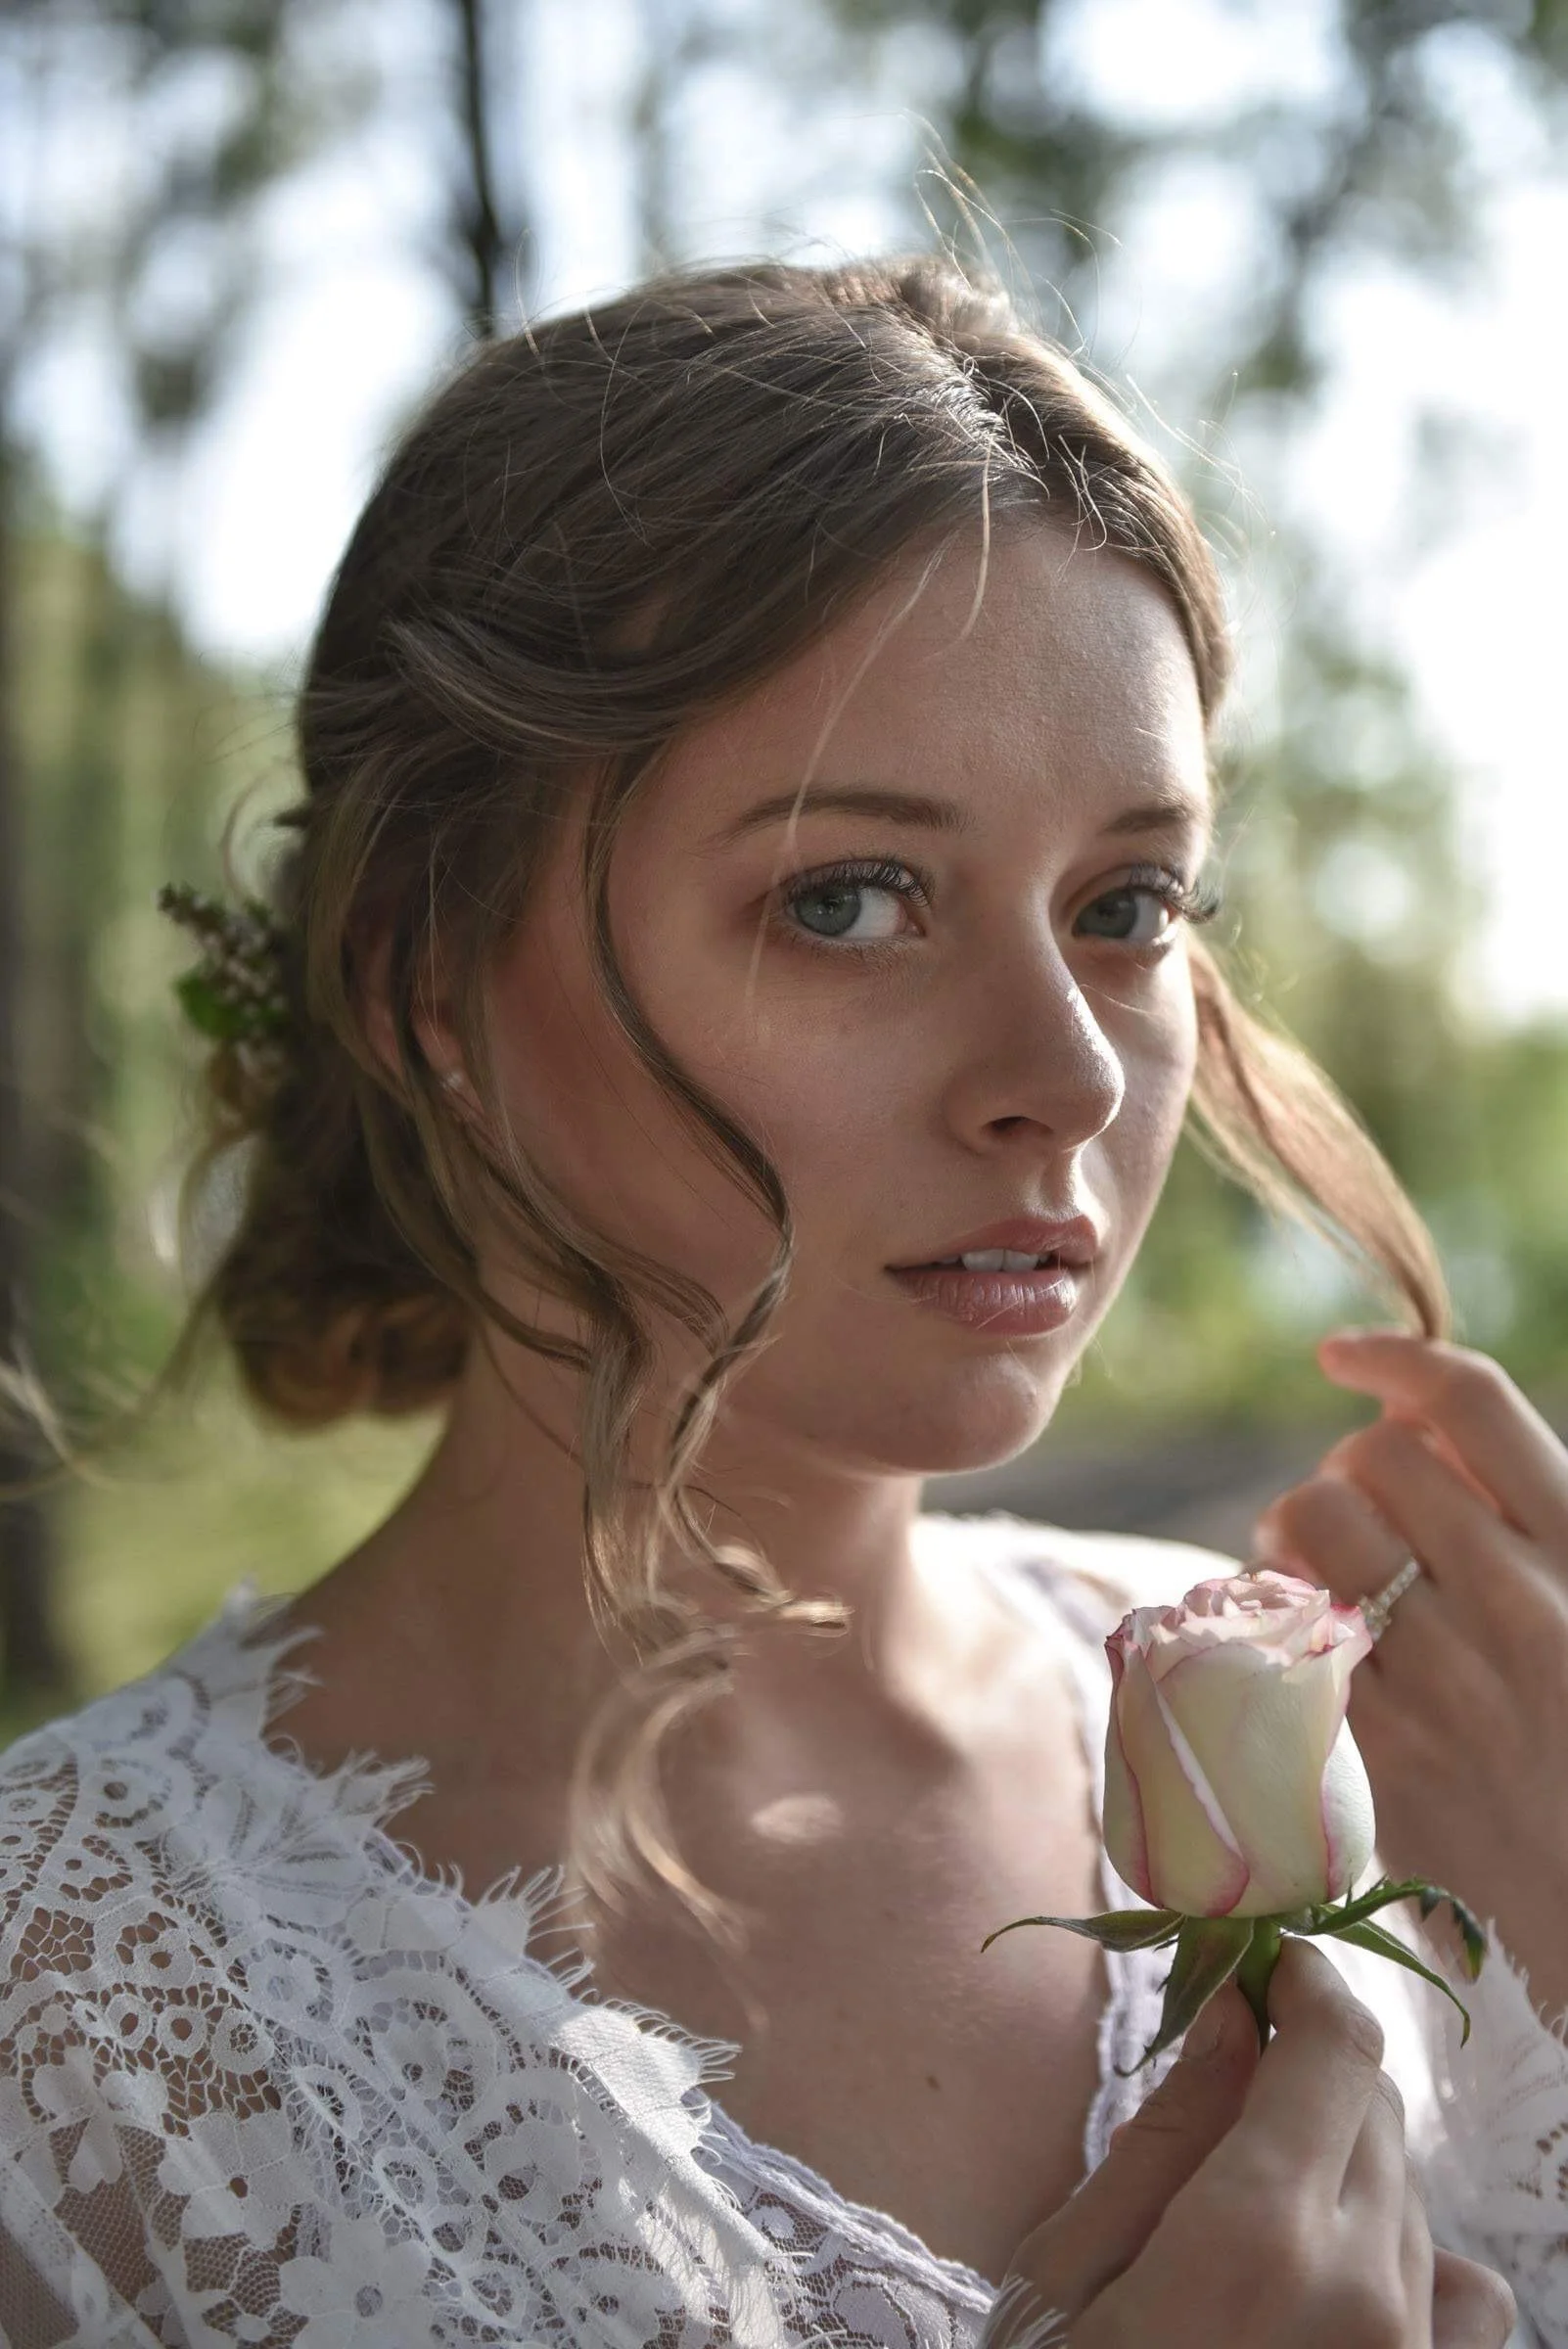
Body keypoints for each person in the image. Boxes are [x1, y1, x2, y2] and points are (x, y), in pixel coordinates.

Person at [0, 253, 1557, 2348]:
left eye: (1128, 905)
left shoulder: (1372, 1745)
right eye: (847, 899)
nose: (1075, 1074)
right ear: (414, 971)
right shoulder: (73, 2022)